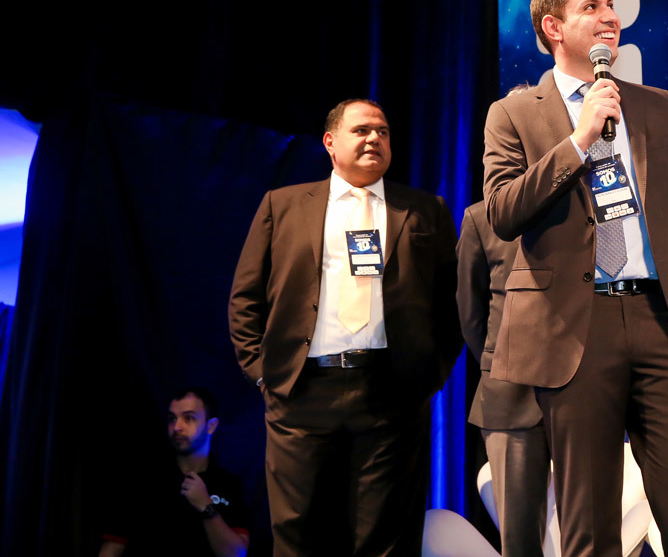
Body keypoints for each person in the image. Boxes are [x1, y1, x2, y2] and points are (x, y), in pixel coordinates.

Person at [481, 0, 668, 557]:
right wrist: (578, 140)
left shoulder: (655, 106)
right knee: (589, 526)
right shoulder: (514, 113)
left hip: (665, 322)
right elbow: (503, 211)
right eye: (591, 7)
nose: (610, 17)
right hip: (574, 331)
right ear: (553, 27)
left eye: (610, 5)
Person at [229, 99, 460, 557]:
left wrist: (428, 377)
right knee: (299, 536)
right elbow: (245, 297)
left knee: (385, 539)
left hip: (391, 395)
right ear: (330, 142)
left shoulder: (424, 209)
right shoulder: (283, 205)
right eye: (361, 130)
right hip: (302, 392)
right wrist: (263, 374)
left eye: (383, 131)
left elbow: (451, 304)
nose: (375, 138)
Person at [457, 199, 551, 556]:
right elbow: (471, 312)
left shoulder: (583, 202)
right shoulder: (480, 218)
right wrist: (503, 363)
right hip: (508, 396)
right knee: (519, 540)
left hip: (582, 393)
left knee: (591, 531)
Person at [99, 387, 250, 557]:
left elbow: (236, 554)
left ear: (211, 426)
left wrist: (206, 506)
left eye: (189, 418)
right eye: (172, 419)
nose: (177, 427)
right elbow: (112, 548)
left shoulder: (229, 485)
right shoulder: (140, 480)